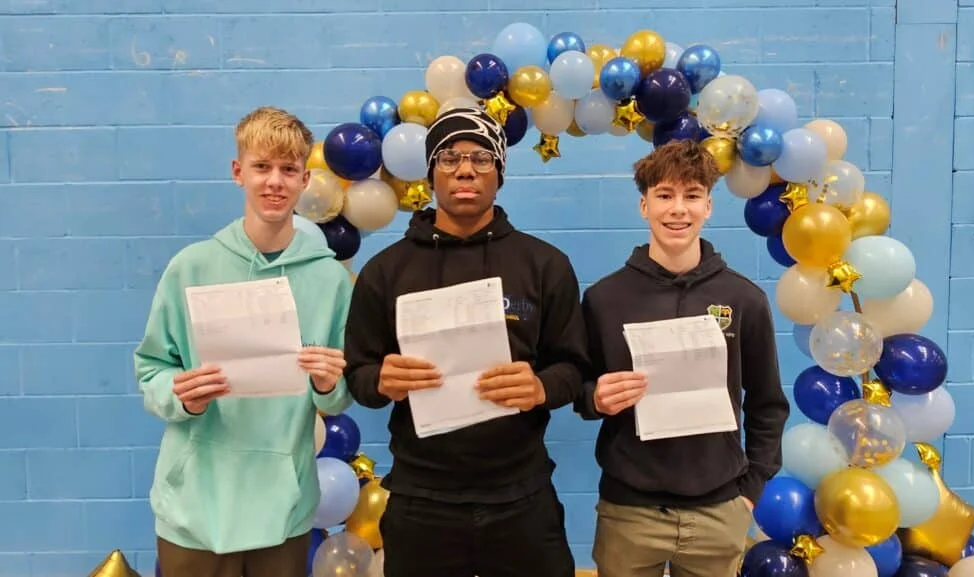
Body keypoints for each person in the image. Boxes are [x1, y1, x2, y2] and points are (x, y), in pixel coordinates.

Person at [342, 107, 589, 577]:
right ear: (432, 172)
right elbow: (359, 375)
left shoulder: (544, 265)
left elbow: (574, 369)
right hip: (422, 499)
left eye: (480, 157)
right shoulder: (386, 271)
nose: (465, 170)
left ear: (499, 171)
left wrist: (540, 388)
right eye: (450, 157)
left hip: (522, 495)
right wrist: (381, 379)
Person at [135, 106, 354, 577]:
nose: (275, 181)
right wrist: (181, 395)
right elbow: (152, 368)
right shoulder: (191, 268)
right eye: (262, 167)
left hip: (283, 508)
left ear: (304, 180)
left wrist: (327, 383)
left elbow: (339, 394)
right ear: (238, 173)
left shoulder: (330, 281)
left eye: (288, 170)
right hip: (195, 508)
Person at [575, 138, 790, 577]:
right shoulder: (604, 299)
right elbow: (577, 388)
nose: (678, 209)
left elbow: (768, 403)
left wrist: (750, 489)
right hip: (628, 512)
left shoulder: (743, 299)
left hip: (719, 509)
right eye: (665, 196)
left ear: (708, 206)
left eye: (692, 196)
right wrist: (595, 396)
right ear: (644, 206)